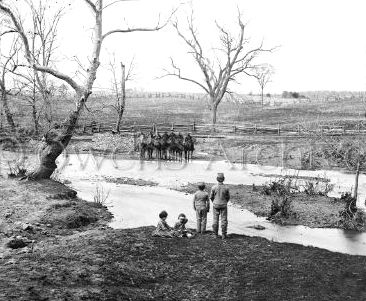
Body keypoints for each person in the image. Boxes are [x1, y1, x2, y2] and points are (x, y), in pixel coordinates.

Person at [210, 173, 230, 239]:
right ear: (223, 179)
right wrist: (225, 202)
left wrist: (214, 202)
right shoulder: (226, 187)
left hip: (216, 204)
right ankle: (224, 235)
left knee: (215, 219)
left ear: (217, 179)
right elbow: (228, 197)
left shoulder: (214, 187)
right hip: (224, 204)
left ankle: (215, 234)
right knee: (224, 219)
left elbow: (211, 197)